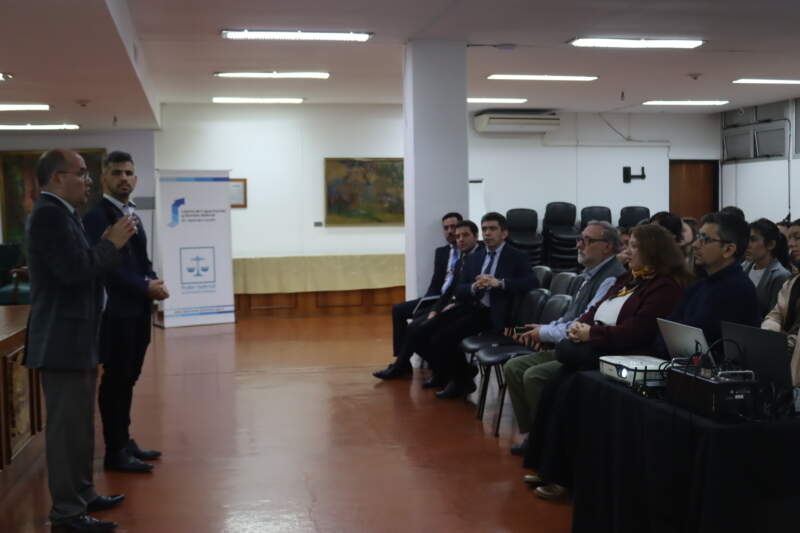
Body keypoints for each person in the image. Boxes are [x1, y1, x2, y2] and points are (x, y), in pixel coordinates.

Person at [525, 223, 690, 499]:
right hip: (598, 347)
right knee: (554, 386)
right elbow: (597, 309)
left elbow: (638, 330)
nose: (629, 251)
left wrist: (593, 334)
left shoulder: (665, 287)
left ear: (653, 250)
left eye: (634, 246)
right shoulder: (631, 279)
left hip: (623, 355)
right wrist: (582, 327)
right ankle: (546, 466)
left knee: (570, 392)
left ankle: (565, 477)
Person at [24, 149, 136, 532]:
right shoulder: (49, 216)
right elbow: (75, 271)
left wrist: (104, 244)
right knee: (66, 430)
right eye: (82, 173)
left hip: (78, 337)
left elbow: (81, 264)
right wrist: (112, 244)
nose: (89, 181)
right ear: (57, 177)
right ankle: (68, 514)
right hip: (62, 340)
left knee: (81, 427)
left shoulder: (63, 214)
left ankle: (84, 494)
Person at [503, 221, 626, 455]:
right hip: (570, 343)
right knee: (513, 367)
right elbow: (573, 316)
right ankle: (536, 436)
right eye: (580, 239)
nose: (579, 245)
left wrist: (545, 332)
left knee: (532, 375)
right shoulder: (590, 275)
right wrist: (546, 327)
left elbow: (584, 324)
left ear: (607, 246)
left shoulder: (611, 279)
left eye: (587, 241)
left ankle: (550, 444)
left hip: (587, 349)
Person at [83, 151, 169, 473]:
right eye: (117, 173)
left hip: (137, 310)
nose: (124, 179)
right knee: (116, 380)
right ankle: (115, 451)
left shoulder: (130, 211)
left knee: (129, 378)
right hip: (115, 313)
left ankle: (125, 439)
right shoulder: (97, 217)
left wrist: (152, 280)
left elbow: (139, 260)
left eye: (129, 173)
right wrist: (143, 287)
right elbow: (107, 269)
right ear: (104, 176)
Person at [420, 212, 537, 398]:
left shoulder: (516, 256)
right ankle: (461, 375)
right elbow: (459, 289)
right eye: (484, 229)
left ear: (504, 233)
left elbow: (532, 283)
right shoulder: (476, 257)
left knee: (445, 336)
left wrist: (500, 283)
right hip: (471, 307)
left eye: (492, 229)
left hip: (494, 314)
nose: (487, 233)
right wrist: (475, 286)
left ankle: (460, 381)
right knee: (426, 329)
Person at [380, 220, 482, 386]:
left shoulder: (479, 256)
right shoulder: (456, 256)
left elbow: (470, 291)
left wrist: (451, 304)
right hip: (443, 300)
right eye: (457, 236)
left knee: (422, 330)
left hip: (465, 308)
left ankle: (449, 372)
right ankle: (437, 370)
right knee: (414, 324)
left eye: (464, 235)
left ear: (476, 236)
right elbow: (444, 288)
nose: (460, 239)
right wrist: (434, 308)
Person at [655, 212, 760, 356]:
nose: (696, 245)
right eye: (698, 237)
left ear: (728, 250)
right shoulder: (700, 285)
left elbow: (698, 336)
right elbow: (667, 327)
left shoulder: (738, 289)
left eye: (705, 239)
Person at [373, 212, 463, 379]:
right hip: (436, 298)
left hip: (452, 301)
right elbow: (436, 282)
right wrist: (425, 301)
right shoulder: (441, 252)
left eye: (453, 227)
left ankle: (400, 364)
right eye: (446, 228)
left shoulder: (470, 250)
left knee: (416, 325)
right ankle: (403, 362)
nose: (450, 231)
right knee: (398, 309)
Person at [762, 218, 800, 386]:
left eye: (798, 238)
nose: (791, 244)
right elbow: (775, 315)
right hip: (785, 359)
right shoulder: (793, 282)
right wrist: (773, 336)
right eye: (790, 238)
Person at [742, 218, 791, 318]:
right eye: (746, 239)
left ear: (770, 244)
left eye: (753, 240)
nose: (747, 245)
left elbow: (775, 316)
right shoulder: (743, 267)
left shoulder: (781, 275)